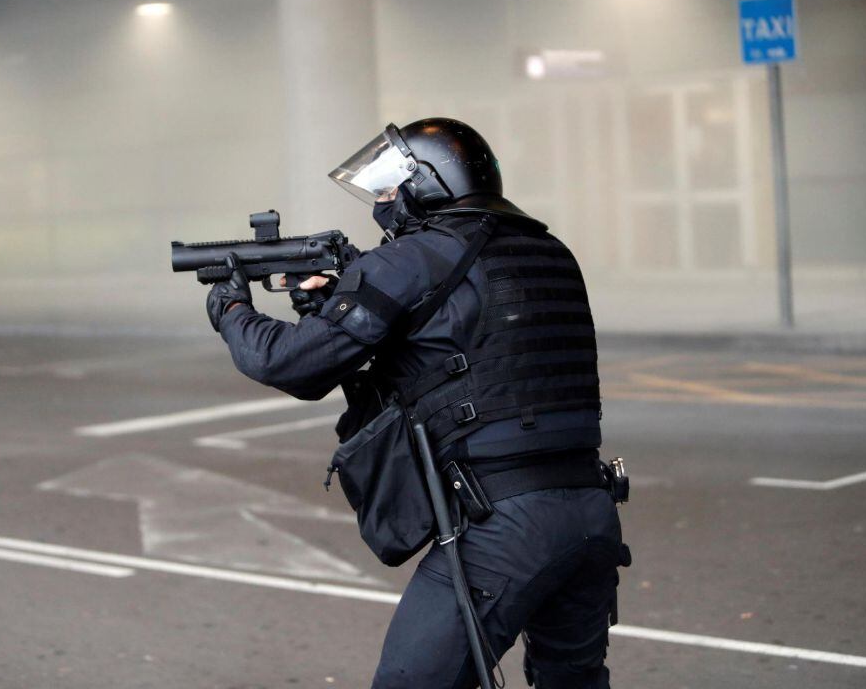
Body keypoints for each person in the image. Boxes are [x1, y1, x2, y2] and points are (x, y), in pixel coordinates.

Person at [206, 118, 629, 689]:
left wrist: (232, 311)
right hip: (591, 510)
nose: (382, 204)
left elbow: (291, 365)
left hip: (505, 526)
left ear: (430, 184)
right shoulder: (547, 250)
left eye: (388, 190)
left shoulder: (414, 258)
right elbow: (465, 344)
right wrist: (338, 304)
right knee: (572, 681)